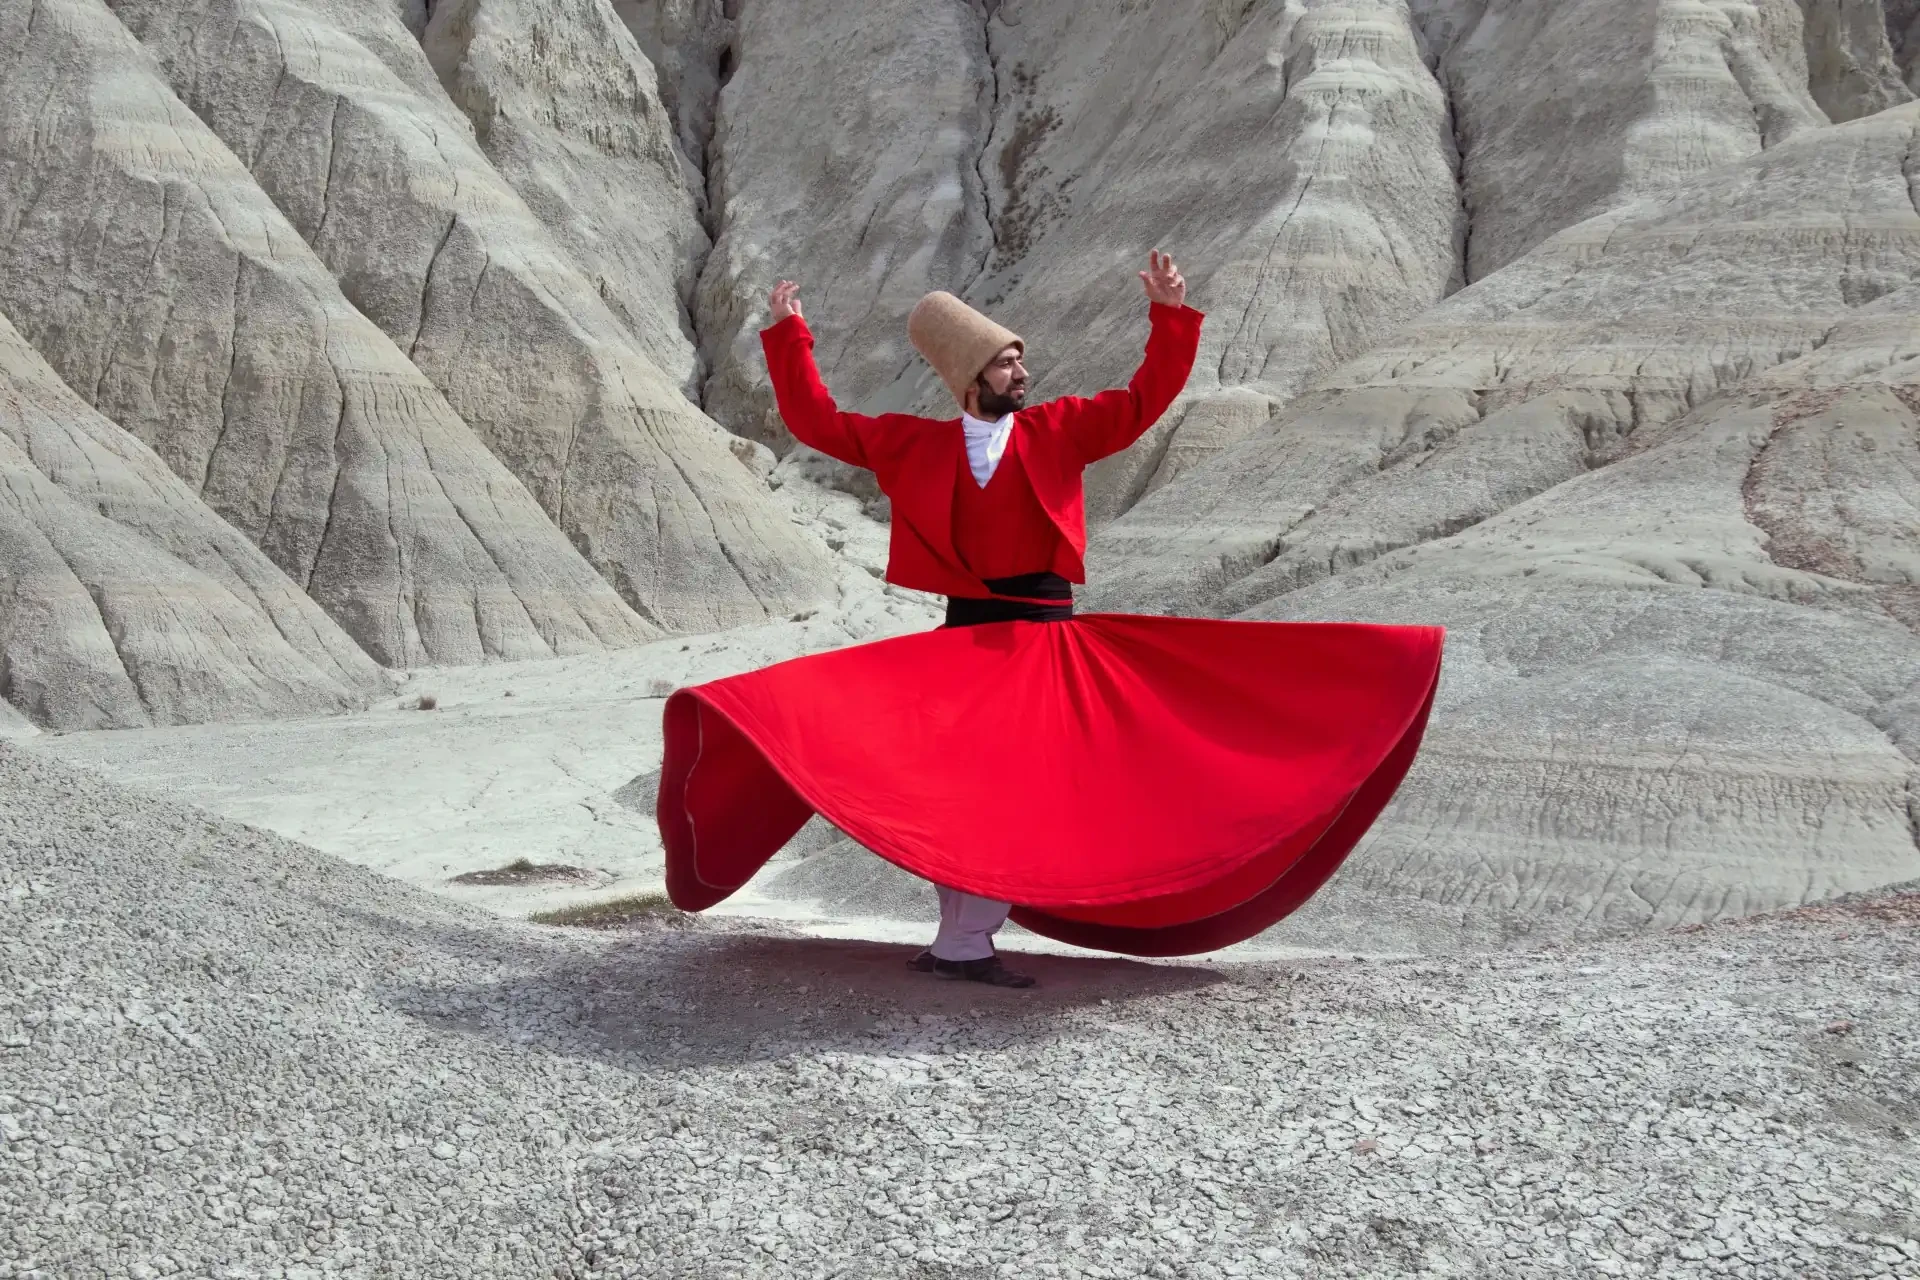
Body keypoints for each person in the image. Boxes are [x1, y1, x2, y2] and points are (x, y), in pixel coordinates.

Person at [655, 255, 1443, 989]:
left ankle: (980, 937)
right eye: (1006, 363)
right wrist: (791, 337)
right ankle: (959, 944)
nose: (1022, 372)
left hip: (1043, 642)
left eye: (1018, 360)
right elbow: (817, 421)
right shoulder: (910, 445)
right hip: (965, 643)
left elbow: (1144, 403)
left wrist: (1169, 317)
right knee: (956, 794)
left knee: (1039, 789)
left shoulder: (1060, 427)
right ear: (969, 377)